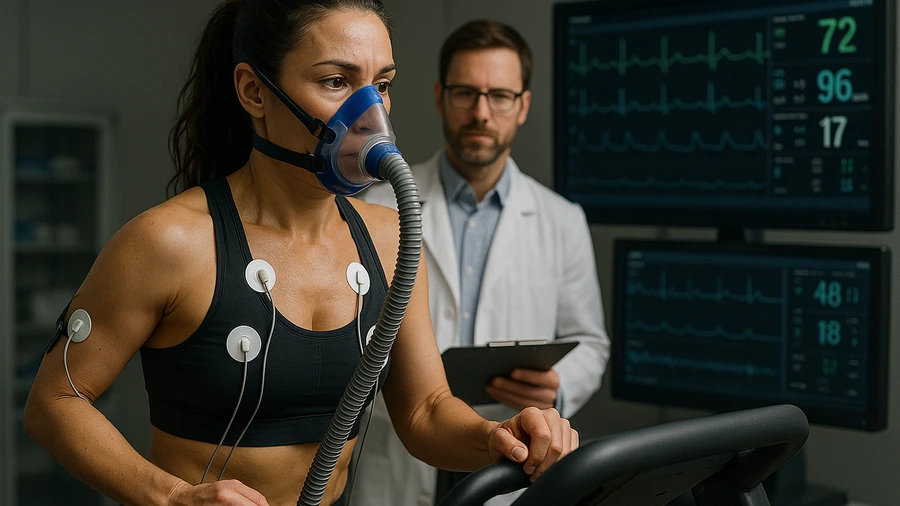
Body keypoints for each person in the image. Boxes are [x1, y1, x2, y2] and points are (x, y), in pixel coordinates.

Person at [22, 3, 579, 506]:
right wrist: (171, 499)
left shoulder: (391, 238)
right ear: (254, 92)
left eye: (381, 85)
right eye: (336, 81)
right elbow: (54, 403)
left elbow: (424, 410)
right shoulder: (171, 242)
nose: (369, 113)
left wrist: (497, 434)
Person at [354, 19, 610, 506]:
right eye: (465, 93)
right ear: (439, 97)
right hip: (400, 463)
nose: (480, 112)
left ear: (524, 105)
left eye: (499, 96)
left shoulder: (562, 220)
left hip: (511, 462)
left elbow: (592, 343)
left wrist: (559, 386)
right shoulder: (376, 208)